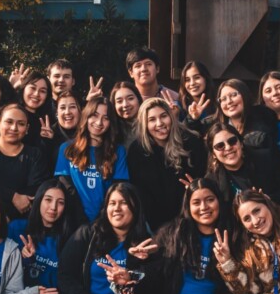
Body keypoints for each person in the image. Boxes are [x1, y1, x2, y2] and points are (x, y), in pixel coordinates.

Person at [6, 178, 80, 294]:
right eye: (48, 200)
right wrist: (25, 260)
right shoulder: (17, 228)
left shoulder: (69, 239)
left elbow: (67, 285)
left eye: (60, 202)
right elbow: (4, 279)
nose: (53, 208)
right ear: (38, 200)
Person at [128, 98, 208, 230]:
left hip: (191, 219)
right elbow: (139, 193)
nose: (159, 123)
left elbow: (203, 178)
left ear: (171, 116)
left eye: (163, 116)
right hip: (156, 225)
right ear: (144, 124)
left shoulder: (190, 142)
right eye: (152, 120)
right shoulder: (137, 150)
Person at [55, 97, 130, 223]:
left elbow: (118, 188)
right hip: (73, 219)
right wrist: (80, 218)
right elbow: (65, 185)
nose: (99, 122)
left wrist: (101, 217)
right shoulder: (67, 148)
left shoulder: (118, 151)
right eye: (94, 115)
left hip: (105, 220)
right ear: (86, 116)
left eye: (105, 118)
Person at [204, 122, 280, 208]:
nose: (228, 148)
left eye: (232, 141)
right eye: (220, 146)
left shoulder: (266, 159)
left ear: (241, 143)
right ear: (213, 154)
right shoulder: (212, 181)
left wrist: (268, 199)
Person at [213, 79, 278, 159]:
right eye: (223, 99)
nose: (229, 101)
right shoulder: (216, 126)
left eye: (233, 95)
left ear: (245, 95)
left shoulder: (263, 115)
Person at [179, 61, 217, 134]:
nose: (192, 83)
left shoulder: (218, 104)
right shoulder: (179, 107)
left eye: (197, 77)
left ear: (206, 78)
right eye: (187, 80)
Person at [18, 72, 54, 147]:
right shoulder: (10, 113)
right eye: (33, 88)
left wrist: (47, 141)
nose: (36, 94)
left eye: (42, 91)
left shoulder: (49, 123)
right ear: (24, 88)